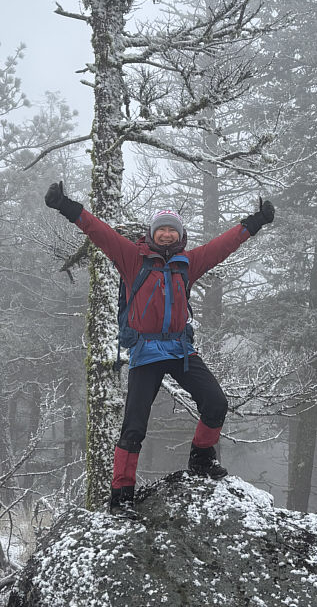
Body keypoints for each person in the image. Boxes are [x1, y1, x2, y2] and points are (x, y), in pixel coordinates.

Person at [45, 181, 275, 516]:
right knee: (134, 426)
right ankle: (121, 496)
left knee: (215, 403)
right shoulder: (132, 259)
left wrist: (256, 221)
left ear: (180, 236)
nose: (166, 235)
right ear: (152, 234)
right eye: (161, 230)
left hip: (180, 350)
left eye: (172, 230)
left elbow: (223, 246)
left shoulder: (187, 263)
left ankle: (201, 458)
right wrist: (64, 205)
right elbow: (99, 231)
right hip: (146, 353)